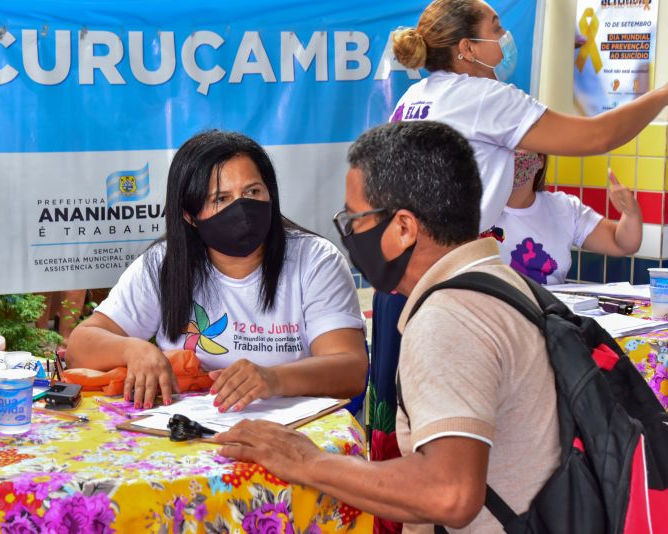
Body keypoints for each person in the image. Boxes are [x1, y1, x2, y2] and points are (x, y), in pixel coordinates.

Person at [216, 121, 560, 533]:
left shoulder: (447, 318)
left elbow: (450, 493)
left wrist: (306, 461)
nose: (349, 235)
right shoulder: (504, 283)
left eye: (355, 219)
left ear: (402, 228)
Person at [66, 130, 367, 411]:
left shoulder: (315, 260)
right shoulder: (164, 263)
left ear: (270, 194)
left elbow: (350, 368)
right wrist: (133, 350)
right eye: (220, 199)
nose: (242, 209)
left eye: (252, 191)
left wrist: (273, 379)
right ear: (190, 216)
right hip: (187, 434)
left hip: (292, 434)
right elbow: (81, 345)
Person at [391, 0, 668, 233]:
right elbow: (598, 136)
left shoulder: (413, 96)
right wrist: (663, 93)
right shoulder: (484, 96)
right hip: (440, 266)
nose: (505, 35)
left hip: (399, 266)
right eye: (496, 27)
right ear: (467, 49)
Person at [490, 152, 642, 285]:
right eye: (504, 146)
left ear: (540, 159)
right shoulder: (473, 209)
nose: (512, 155)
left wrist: (631, 213)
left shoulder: (564, 208)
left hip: (548, 313)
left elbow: (621, 243)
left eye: (519, 145)